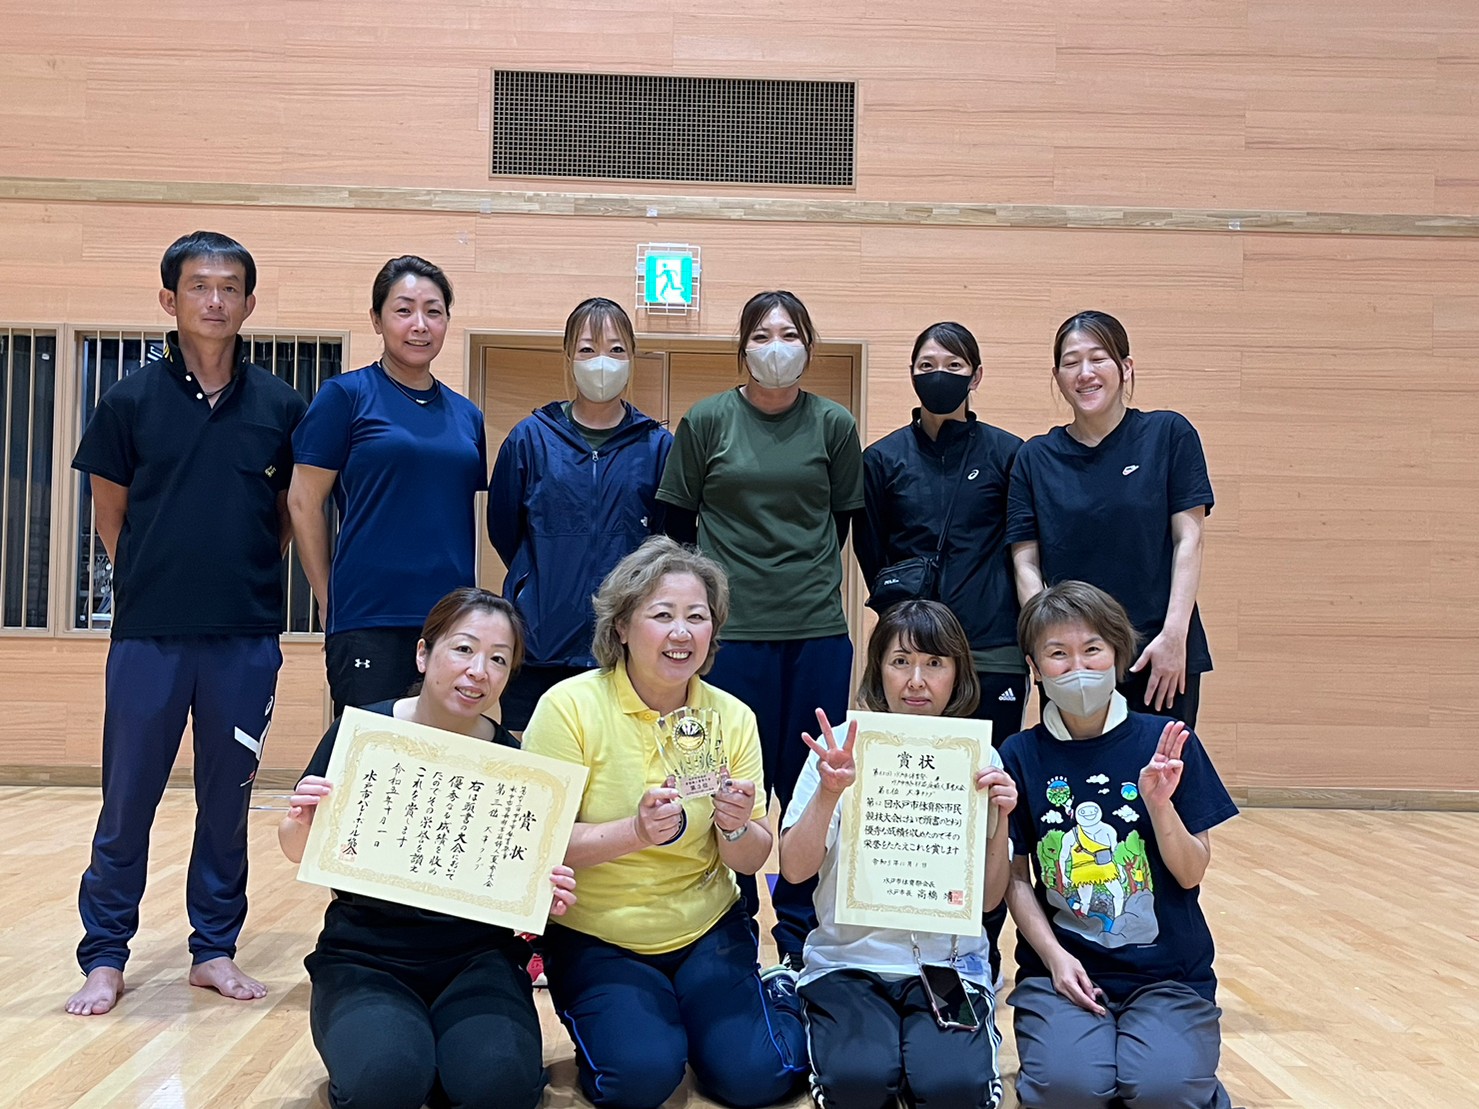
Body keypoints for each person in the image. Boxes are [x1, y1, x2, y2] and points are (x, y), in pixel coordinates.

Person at [66, 231, 308, 1016]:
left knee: (227, 803)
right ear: (169, 299)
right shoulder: (128, 400)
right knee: (127, 798)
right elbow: (110, 512)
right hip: (149, 636)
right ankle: (105, 954)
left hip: (244, 636)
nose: (215, 300)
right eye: (199, 286)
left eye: (230, 287)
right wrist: (155, 581)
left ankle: (214, 948)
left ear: (249, 301)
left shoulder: (280, 405)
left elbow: (285, 515)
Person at [522, 536, 807, 1109]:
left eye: (697, 617)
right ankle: (652, 1020)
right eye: (663, 615)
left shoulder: (731, 716)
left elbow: (752, 856)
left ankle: (772, 993)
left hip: (707, 927)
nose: (682, 632)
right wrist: (635, 832)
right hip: (598, 935)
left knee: (760, 1078)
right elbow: (535, 841)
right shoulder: (569, 707)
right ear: (622, 627)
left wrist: (734, 827)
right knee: (640, 1080)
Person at [279, 588, 578, 1109]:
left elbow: (520, 878)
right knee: (384, 1085)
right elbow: (294, 846)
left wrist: (542, 890)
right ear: (423, 654)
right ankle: (407, 1053)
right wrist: (303, 821)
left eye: (499, 659)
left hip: (478, 960)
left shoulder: (515, 766)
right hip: (365, 956)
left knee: (500, 1089)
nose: (478, 671)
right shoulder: (365, 736)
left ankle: (441, 1056)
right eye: (463, 649)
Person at [656, 289, 864, 968]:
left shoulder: (833, 424)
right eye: (762, 335)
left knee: (807, 785)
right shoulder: (707, 420)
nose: (776, 347)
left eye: (790, 334)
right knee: (730, 786)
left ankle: (801, 938)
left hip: (815, 629)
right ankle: (734, 927)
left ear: (809, 344)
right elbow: (674, 525)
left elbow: (841, 521)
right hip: (731, 638)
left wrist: (794, 576)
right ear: (742, 347)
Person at [1001, 581, 1237, 1109]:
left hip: (1168, 976)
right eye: (1057, 654)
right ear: (1034, 667)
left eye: (1092, 649)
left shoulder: (1166, 742)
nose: (1077, 667)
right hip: (1064, 973)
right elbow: (1015, 879)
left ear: (1118, 654)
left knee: (1162, 1092)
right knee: (1069, 1091)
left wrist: (1159, 806)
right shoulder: (1017, 754)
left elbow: (1191, 872)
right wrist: (1056, 959)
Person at [779, 600, 1016, 1109]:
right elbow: (794, 870)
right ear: (878, 669)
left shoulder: (980, 758)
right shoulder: (839, 748)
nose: (916, 680)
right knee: (858, 1083)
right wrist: (829, 792)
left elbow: (990, 900)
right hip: (848, 962)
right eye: (901, 661)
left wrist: (1001, 820)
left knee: (955, 1089)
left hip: (946, 968)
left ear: (957, 673)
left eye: (934, 663)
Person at [289, 256, 487, 714]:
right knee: (370, 747)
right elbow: (303, 502)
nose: (420, 324)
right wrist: (328, 598)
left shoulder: (467, 415)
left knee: (441, 750)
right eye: (403, 310)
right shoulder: (345, 396)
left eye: (433, 311)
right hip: (368, 615)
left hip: (450, 621)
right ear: (376, 320)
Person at [1007, 309, 1214, 727]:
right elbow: (1025, 562)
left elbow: (1188, 540)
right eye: (1071, 362)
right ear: (1057, 376)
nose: (1085, 373)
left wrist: (1175, 635)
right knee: (1075, 766)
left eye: (1098, 358)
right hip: (1073, 662)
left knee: (1161, 764)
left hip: (1157, 650)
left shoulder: (1169, 435)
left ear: (1125, 367)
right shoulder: (1034, 457)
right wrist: (1047, 649)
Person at [487, 297, 672, 731]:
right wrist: (539, 582)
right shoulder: (530, 439)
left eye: (616, 349)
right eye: (588, 349)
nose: (601, 362)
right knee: (537, 764)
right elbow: (504, 530)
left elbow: (667, 544)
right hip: (539, 646)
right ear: (569, 356)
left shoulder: (657, 446)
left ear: (632, 357)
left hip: (625, 650)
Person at [855, 321, 1028, 742]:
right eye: (927, 365)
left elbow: (1023, 548)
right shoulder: (881, 459)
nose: (939, 375)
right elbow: (872, 552)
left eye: (954, 366)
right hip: (911, 652)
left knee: (989, 769)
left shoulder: (1009, 453)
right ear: (912, 374)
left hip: (992, 648)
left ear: (976, 375)